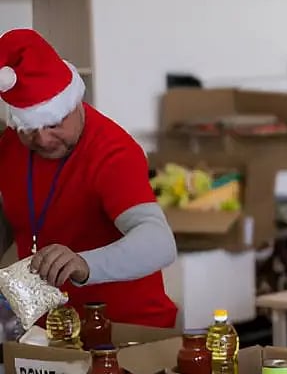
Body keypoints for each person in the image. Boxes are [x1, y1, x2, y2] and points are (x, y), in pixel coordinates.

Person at [0, 28, 178, 327]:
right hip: (49, 330)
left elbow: (159, 243)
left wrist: (84, 263)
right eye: (29, 128)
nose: (43, 139)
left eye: (54, 124)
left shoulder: (113, 152)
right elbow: (13, 215)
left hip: (123, 329)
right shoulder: (10, 146)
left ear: (73, 102)